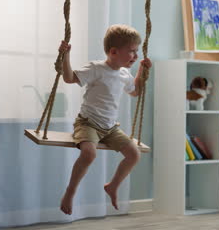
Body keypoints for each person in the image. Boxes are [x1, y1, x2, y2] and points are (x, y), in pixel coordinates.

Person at [58, 24, 152, 215]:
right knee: (89, 154)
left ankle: (113, 186)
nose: (135, 56)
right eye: (132, 52)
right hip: (88, 123)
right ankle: (70, 191)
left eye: (136, 52)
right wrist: (65, 56)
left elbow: (135, 92)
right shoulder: (96, 68)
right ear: (114, 51)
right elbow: (68, 78)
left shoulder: (124, 74)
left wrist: (142, 71)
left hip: (110, 128)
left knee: (134, 154)